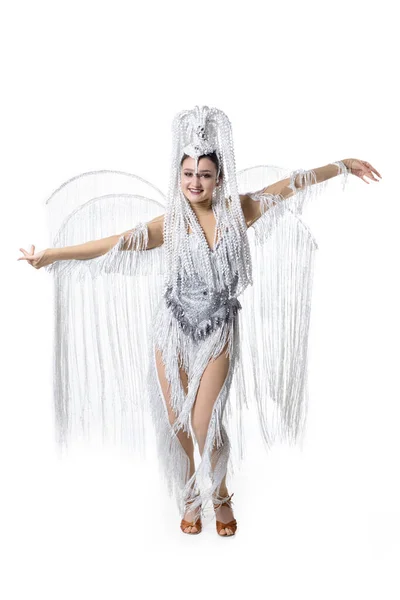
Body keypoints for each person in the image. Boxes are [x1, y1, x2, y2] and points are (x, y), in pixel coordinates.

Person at [18, 106, 381, 537]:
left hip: (218, 330)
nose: (195, 182)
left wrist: (341, 165)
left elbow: (292, 184)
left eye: (204, 175)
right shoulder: (168, 225)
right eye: (188, 174)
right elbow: (111, 244)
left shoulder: (239, 211)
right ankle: (194, 491)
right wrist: (50, 256)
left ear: (219, 178)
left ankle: (221, 492)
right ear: (179, 177)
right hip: (172, 330)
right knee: (180, 424)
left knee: (204, 421)